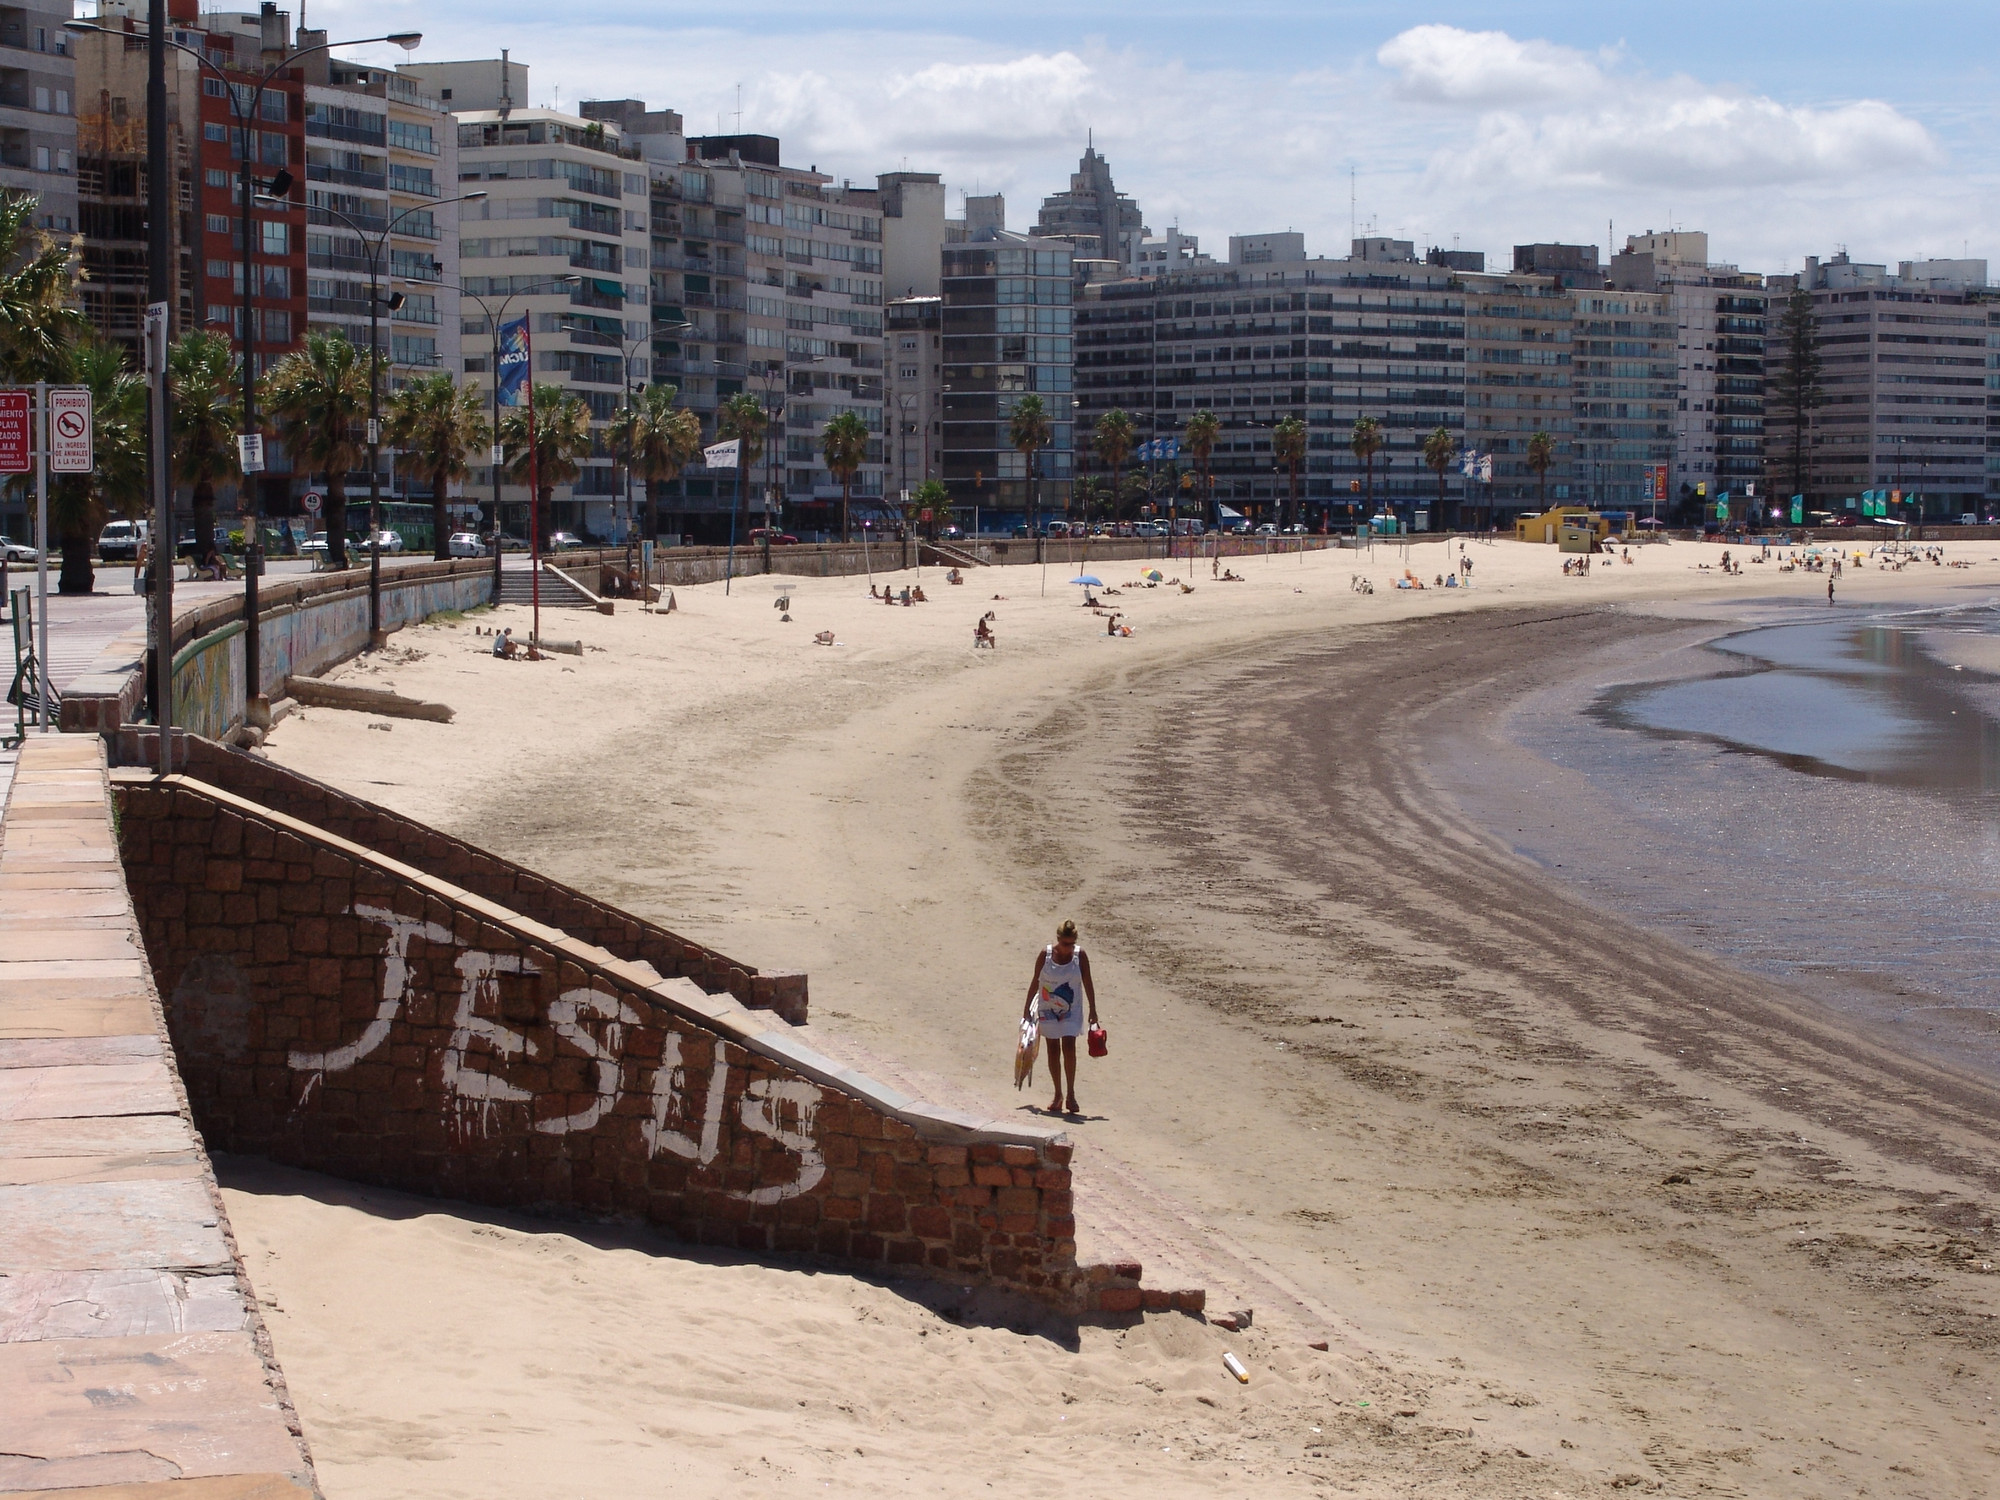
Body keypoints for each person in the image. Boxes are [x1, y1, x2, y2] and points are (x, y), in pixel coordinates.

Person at [1022, 919, 1098, 1115]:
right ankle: (1058, 1094)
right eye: (1065, 943)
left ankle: (1071, 1094)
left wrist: (1093, 1010)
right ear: (1058, 940)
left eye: (1071, 943)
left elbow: (1088, 982)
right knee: (1053, 1049)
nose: (1068, 948)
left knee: (1070, 1047)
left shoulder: (1080, 956)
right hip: (1047, 1007)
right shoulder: (1045, 955)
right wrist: (1026, 1009)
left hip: (1072, 1008)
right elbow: (1035, 981)